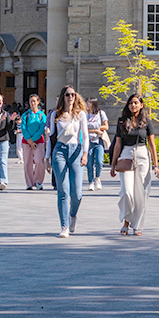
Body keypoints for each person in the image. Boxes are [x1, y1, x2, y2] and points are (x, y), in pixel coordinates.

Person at [111, 92, 159, 234]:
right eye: (131, 103)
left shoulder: (147, 122)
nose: (133, 105)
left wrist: (156, 165)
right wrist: (113, 164)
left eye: (136, 103)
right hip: (126, 155)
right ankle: (126, 221)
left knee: (141, 193)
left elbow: (152, 144)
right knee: (127, 192)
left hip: (143, 155)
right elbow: (118, 144)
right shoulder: (122, 121)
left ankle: (136, 225)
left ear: (141, 105)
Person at [50, 89, 89, 236]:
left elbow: (85, 136)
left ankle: (73, 215)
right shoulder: (56, 114)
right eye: (67, 94)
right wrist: (48, 157)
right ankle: (64, 226)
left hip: (76, 150)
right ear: (62, 97)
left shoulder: (81, 115)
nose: (70, 97)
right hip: (60, 150)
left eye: (73, 94)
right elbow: (52, 138)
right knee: (63, 191)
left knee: (77, 193)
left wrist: (85, 154)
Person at [20, 94, 48, 189]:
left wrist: (34, 139)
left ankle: (38, 181)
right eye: (31, 101)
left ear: (38, 102)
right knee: (27, 162)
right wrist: (30, 140)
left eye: (34, 101)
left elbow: (41, 129)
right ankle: (29, 183)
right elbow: (23, 128)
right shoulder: (25, 115)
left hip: (38, 141)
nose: (32, 103)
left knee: (39, 160)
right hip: (26, 141)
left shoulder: (42, 115)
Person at [86, 98, 108, 190]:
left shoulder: (100, 113)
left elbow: (106, 126)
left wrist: (98, 128)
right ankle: (91, 182)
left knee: (99, 161)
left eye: (89, 103)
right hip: (88, 141)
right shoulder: (85, 114)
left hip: (98, 140)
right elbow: (82, 128)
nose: (87, 104)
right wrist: (95, 130)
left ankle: (97, 178)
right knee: (89, 163)